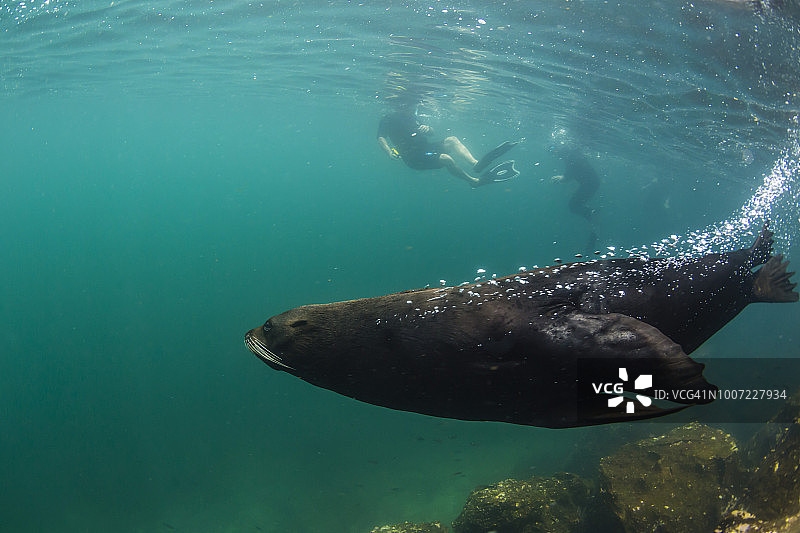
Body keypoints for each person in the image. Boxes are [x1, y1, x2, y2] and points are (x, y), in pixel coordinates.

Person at [377, 103, 520, 187]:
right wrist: (389, 152)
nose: (411, 108)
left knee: (452, 139)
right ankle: (474, 181)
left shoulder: (413, 117)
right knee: (446, 159)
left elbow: (431, 134)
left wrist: (429, 129)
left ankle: (476, 164)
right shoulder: (389, 119)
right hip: (412, 157)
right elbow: (381, 137)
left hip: (425, 148)